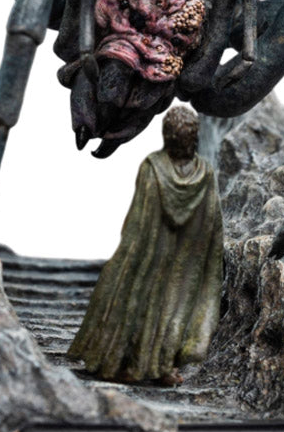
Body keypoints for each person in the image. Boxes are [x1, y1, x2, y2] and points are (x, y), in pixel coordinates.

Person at [68, 106, 223, 385]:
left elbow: (138, 220)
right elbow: (211, 224)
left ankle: (137, 365)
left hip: (154, 256)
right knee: (171, 312)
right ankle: (156, 366)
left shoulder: (154, 167)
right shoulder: (204, 173)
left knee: (140, 306)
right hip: (181, 262)